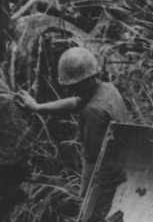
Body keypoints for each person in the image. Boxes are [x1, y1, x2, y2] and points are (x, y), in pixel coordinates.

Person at [16, 46, 127, 202]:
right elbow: (75, 102)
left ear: (77, 85)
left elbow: (92, 161)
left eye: (70, 86)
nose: (68, 90)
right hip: (123, 164)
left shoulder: (93, 112)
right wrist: (37, 107)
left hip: (108, 179)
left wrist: (83, 198)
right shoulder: (107, 89)